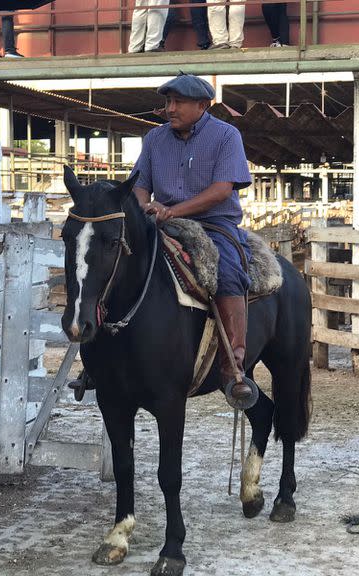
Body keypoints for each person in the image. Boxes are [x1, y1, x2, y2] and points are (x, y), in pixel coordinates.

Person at [132, 73, 254, 402]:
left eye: (178, 102)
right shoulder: (155, 138)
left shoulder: (227, 136)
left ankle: (234, 365)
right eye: (167, 102)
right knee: (120, 261)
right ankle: (101, 360)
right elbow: (140, 182)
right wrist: (145, 207)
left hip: (214, 223)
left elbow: (221, 190)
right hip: (161, 222)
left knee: (227, 272)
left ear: (203, 105)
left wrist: (175, 210)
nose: (170, 109)